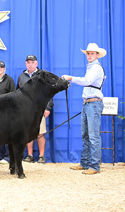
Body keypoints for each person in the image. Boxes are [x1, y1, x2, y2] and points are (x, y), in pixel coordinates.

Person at [62, 43, 106, 175]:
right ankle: (85, 163)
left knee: (93, 136)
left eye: (92, 53)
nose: (90, 55)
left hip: (94, 103)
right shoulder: (91, 67)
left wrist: (71, 78)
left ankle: (94, 166)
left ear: (97, 55)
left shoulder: (96, 68)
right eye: (88, 53)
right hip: (88, 103)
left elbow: (87, 81)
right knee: (86, 135)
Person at [18, 55, 53, 164]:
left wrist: (47, 107)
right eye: (28, 62)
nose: (30, 64)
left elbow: (49, 92)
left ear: (36, 63)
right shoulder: (21, 77)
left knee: (40, 133)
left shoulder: (42, 76)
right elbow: (18, 93)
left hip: (39, 109)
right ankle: (29, 155)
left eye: (32, 62)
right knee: (28, 133)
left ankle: (41, 156)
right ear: (25, 64)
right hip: (26, 110)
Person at [0, 60, 16, 165]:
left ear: (4, 69)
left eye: (1, 67)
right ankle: (0, 155)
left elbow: (13, 95)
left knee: (7, 134)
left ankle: (8, 156)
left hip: (6, 111)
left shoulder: (9, 80)